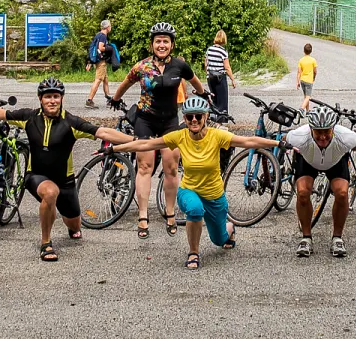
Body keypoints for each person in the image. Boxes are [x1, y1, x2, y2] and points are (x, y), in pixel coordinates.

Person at [0, 76, 135, 261]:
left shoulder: (71, 122)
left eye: (56, 96)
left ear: (61, 98)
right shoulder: (29, 117)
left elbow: (102, 132)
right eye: (47, 97)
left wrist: (136, 140)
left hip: (66, 182)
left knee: (74, 225)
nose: (52, 101)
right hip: (36, 176)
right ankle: (46, 243)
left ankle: (68, 222)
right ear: (40, 99)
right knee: (50, 193)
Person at [116, 95, 279, 269]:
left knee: (219, 239)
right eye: (189, 116)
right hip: (189, 191)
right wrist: (113, 149)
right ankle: (193, 252)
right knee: (194, 209)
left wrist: (279, 142)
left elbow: (248, 141)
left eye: (198, 116)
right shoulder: (179, 136)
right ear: (184, 119)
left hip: (214, 197)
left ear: (206, 117)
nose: (194, 120)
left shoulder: (217, 136)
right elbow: (144, 145)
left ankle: (229, 229)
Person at [108, 21, 206, 238]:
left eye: (166, 41)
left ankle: (170, 213)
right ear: (152, 44)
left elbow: (195, 81)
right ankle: (143, 216)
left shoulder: (179, 66)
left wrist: (204, 95)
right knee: (145, 166)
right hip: (146, 120)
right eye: (158, 41)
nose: (162, 45)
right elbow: (125, 82)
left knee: (171, 168)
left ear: (171, 44)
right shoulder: (142, 66)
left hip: (170, 121)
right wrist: (116, 98)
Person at [283, 104, 356, 258]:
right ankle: (306, 238)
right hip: (308, 160)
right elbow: (284, 140)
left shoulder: (346, 136)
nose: (323, 136)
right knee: (303, 193)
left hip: (335, 161)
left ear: (333, 128)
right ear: (311, 129)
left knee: (342, 193)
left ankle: (337, 238)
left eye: (327, 131)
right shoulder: (299, 136)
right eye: (318, 132)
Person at [85, 19, 118, 108]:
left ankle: (108, 99)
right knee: (98, 79)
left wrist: (90, 62)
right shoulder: (103, 36)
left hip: (98, 61)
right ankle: (89, 100)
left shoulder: (98, 35)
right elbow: (100, 48)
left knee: (105, 80)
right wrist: (110, 48)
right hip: (101, 62)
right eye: (110, 26)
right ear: (107, 27)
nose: (110, 27)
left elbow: (94, 48)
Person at [204, 30, 237, 115]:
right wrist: (233, 79)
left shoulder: (209, 49)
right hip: (220, 78)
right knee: (222, 100)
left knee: (214, 99)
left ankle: (213, 118)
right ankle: (220, 120)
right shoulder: (223, 51)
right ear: (224, 39)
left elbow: (206, 64)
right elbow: (227, 67)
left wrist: (207, 73)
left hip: (210, 77)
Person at [296, 43, 317, 111]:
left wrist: (298, 82)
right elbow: (315, 71)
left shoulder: (301, 60)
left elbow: (299, 72)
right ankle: (302, 109)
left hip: (302, 80)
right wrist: (314, 78)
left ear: (304, 51)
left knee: (305, 96)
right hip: (309, 80)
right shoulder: (313, 60)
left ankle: (308, 111)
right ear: (311, 51)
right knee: (308, 97)